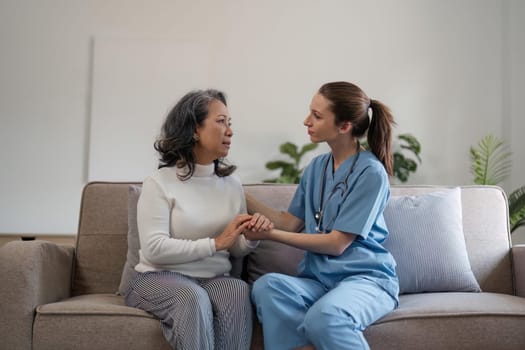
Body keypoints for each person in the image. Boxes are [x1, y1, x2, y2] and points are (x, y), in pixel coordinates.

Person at [245, 81, 399, 350]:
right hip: (319, 281)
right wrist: (237, 193)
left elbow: (337, 243)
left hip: (364, 281)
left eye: (317, 116)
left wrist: (269, 234)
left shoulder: (371, 173)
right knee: (268, 287)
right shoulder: (317, 167)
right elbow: (289, 222)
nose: (307, 121)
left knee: (325, 317)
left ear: (344, 126)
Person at [125, 89, 272, 350]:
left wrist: (249, 238)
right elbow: (154, 249)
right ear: (194, 129)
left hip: (214, 278)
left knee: (237, 292)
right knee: (191, 297)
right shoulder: (159, 183)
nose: (230, 130)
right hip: (158, 277)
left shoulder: (231, 184)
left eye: (230, 123)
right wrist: (216, 243)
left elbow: (235, 247)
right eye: (221, 121)